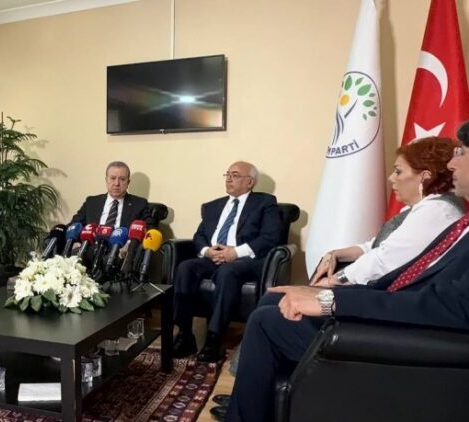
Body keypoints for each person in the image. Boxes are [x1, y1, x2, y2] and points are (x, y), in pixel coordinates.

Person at [223, 123, 469, 422]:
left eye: (462, 153)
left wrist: (332, 294)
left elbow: (397, 271)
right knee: (274, 301)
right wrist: (335, 265)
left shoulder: (440, 211)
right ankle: (252, 396)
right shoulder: (448, 220)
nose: (452, 164)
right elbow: (383, 253)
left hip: (402, 335)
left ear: (424, 176)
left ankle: (247, 405)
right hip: (394, 311)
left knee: (267, 317)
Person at [310, 137, 463, 287]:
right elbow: (378, 245)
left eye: (398, 172)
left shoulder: (436, 212)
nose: (391, 178)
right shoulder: (427, 207)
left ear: (425, 177)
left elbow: (383, 261)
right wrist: (334, 254)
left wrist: (332, 281)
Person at [172, 161, 281, 363]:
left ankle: (214, 339)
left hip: (244, 260)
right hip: (213, 256)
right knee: (185, 268)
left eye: (235, 175)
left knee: (227, 272)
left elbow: (270, 237)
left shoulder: (265, 203)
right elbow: (199, 236)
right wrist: (207, 251)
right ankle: (185, 335)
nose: (229, 179)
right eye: (227, 174)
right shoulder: (213, 206)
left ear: (250, 182)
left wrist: (235, 253)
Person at [69, 161, 155, 228]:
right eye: (113, 178)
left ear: (128, 182)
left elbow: (150, 230)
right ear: (106, 180)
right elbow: (72, 227)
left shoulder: (139, 204)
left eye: (122, 179)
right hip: (92, 245)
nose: (116, 183)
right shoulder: (91, 202)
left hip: (123, 245)